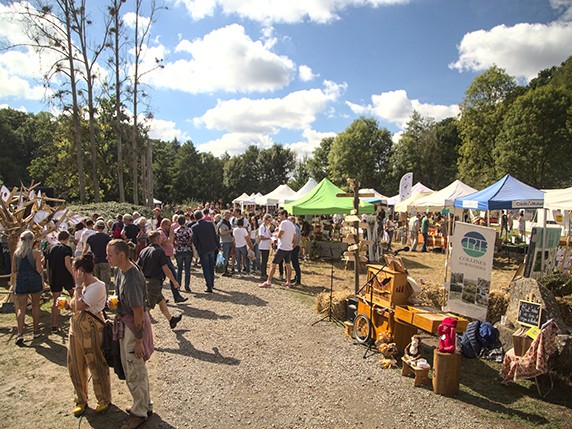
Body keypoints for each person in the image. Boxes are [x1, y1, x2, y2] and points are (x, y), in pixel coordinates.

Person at [106, 239, 154, 429]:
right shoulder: (120, 271)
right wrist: (114, 304)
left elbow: (139, 312)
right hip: (126, 322)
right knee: (136, 369)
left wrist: (139, 341)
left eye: (110, 255)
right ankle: (144, 405)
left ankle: (139, 412)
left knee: (134, 368)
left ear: (121, 255)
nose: (106, 258)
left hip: (134, 327)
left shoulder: (132, 278)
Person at [66, 253, 111, 417]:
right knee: (75, 364)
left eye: (74, 270)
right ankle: (81, 399)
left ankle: (103, 398)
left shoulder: (97, 286)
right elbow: (72, 304)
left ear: (81, 271)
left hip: (90, 328)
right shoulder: (82, 286)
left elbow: (79, 304)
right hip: (75, 326)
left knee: (95, 362)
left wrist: (77, 288)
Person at [136, 231, 183, 329]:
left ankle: (171, 320)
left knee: (162, 301)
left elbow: (138, 267)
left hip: (146, 280)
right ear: (157, 239)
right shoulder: (160, 251)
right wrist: (174, 281)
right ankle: (139, 330)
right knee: (147, 308)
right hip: (154, 282)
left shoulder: (144, 251)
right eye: (161, 237)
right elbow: (165, 268)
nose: (162, 239)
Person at [13, 230, 43, 345]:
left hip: (21, 279)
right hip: (34, 279)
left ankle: (20, 333)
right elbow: (39, 270)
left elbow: (14, 270)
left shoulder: (16, 254)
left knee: (22, 307)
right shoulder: (36, 253)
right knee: (36, 305)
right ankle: (36, 330)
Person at [260, 210, 297, 288]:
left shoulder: (283, 223)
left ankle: (268, 281)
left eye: (280, 215)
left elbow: (280, 235)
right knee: (288, 265)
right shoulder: (292, 225)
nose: (279, 217)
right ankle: (288, 282)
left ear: (284, 215)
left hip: (282, 247)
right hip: (288, 247)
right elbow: (295, 238)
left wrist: (275, 234)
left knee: (273, 264)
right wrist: (292, 246)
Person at [47, 230, 75, 332]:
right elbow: (67, 262)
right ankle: (76, 317)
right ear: (67, 239)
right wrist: (73, 275)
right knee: (74, 296)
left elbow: (47, 264)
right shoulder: (67, 249)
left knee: (56, 300)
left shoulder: (51, 249)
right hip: (65, 275)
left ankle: (54, 324)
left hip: (54, 275)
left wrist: (48, 276)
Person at [191, 210, 220, 293]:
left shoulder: (194, 227)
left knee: (206, 268)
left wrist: (197, 248)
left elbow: (194, 240)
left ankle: (209, 285)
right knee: (211, 266)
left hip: (203, 249)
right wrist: (218, 245)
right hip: (211, 247)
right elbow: (215, 235)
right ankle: (212, 283)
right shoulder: (210, 223)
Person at [159, 218, 187, 303]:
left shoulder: (164, 232)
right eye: (168, 225)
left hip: (166, 257)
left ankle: (161, 298)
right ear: (163, 225)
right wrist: (171, 234)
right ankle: (175, 296)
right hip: (164, 257)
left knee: (162, 278)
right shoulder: (160, 233)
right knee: (172, 276)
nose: (170, 227)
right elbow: (167, 242)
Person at [85, 220, 112, 292]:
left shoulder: (91, 237)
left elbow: (86, 248)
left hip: (95, 260)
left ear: (96, 227)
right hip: (105, 260)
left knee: (96, 281)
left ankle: (97, 296)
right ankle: (105, 297)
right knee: (105, 281)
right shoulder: (107, 237)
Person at [174, 215, 193, 292]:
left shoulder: (176, 231)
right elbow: (191, 239)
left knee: (179, 268)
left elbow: (173, 241)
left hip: (179, 250)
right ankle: (187, 286)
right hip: (188, 250)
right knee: (187, 269)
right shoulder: (189, 230)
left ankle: (178, 284)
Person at [217, 210, 234, 277]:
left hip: (228, 241)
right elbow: (221, 232)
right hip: (224, 242)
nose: (228, 216)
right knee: (225, 257)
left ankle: (226, 270)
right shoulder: (222, 223)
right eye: (227, 214)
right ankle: (224, 270)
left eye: (229, 214)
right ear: (223, 215)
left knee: (227, 257)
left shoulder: (227, 222)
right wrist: (230, 231)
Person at [257, 214, 272, 280]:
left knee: (265, 261)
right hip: (263, 246)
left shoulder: (267, 227)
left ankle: (264, 273)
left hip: (267, 246)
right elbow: (261, 237)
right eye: (269, 220)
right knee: (263, 260)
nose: (269, 222)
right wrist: (269, 238)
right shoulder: (262, 227)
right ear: (265, 220)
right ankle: (262, 274)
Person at [289, 216, 302, 285]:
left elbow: (296, 240)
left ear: (293, 221)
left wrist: (292, 247)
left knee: (295, 264)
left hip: (295, 247)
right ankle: (296, 277)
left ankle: (298, 279)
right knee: (294, 263)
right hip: (294, 246)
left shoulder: (295, 228)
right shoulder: (293, 228)